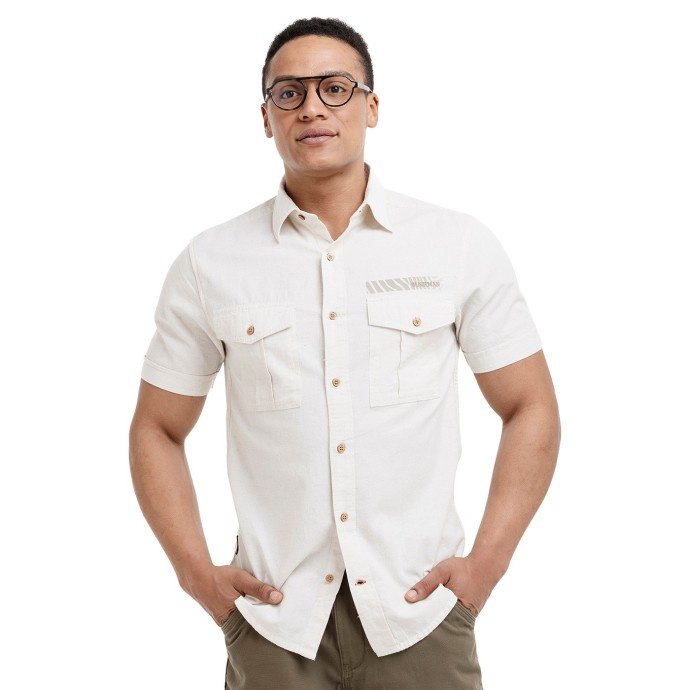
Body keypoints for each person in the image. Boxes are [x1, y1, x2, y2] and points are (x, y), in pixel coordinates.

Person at [129, 16, 561, 690]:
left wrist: (486, 568)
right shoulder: (211, 262)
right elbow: (157, 427)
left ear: (372, 106)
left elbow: (530, 405)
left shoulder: (455, 246)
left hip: (420, 616)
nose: (312, 108)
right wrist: (196, 575)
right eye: (289, 93)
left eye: (335, 88)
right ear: (266, 117)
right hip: (274, 625)